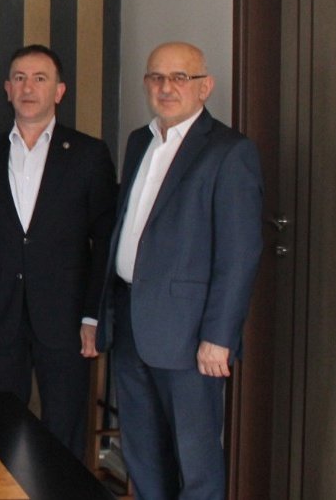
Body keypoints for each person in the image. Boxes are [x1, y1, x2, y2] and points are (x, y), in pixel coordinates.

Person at [96, 42, 263, 499]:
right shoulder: (140, 141)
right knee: (143, 454)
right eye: (156, 77)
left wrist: (220, 337)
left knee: (196, 461)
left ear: (205, 87)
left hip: (190, 336)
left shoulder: (229, 152)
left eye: (180, 77)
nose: (166, 87)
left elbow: (239, 254)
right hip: (131, 322)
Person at [0, 44, 117, 458]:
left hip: (66, 318)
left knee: (64, 430)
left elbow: (105, 242)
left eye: (40, 79)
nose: (28, 88)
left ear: (59, 91)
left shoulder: (89, 154)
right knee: (0, 429)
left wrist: (93, 314)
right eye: (20, 79)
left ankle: (61, 490)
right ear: (7, 89)